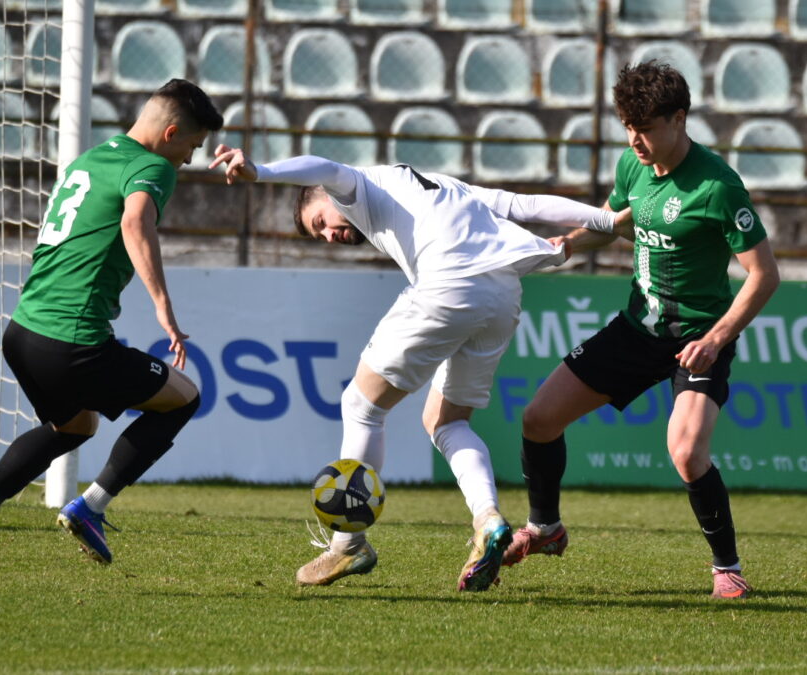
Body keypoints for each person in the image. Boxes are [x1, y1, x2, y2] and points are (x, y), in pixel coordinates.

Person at [209, 147, 631, 591]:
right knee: (446, 421)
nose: (328, 236)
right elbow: (521, 203)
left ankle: (348, 543)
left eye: (319, 223)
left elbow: (326, 167)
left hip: (449, 285)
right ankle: (488, 520)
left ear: (327, 197)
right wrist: (605, 220)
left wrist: (261, 171)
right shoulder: (444, 185)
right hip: (503, 293)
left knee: (361, 406)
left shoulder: (356, 185)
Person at [501, 60, 780, 600]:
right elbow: (614, 225)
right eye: (628, 127)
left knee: (686, 453)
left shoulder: (718, 186)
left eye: (646, 127)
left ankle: (727, 567)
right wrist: (559, 246)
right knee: (538, 419)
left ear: (680, 118)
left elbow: (764, 276)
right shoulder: (633, 166)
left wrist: (717, 339)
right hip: (636, 330)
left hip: (697, 339)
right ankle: (545, 529)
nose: (635, 140)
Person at [0, 79, 224, 588]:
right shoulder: (152, 165)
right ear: (172, 132)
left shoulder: (90, 160)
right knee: (184, 398)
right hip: (73, 340)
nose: (186, 160)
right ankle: (90, 508)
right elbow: (136, 222)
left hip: (23, 332)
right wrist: (164, 307)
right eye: (191, 148)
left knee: (75, 426)